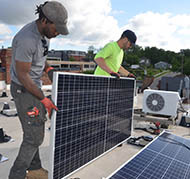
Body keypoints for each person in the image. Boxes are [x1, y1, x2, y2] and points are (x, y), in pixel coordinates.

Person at [9, 1, 69, 179]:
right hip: (23, 90)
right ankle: (17, 175)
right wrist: (43, 99)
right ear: (44, 20)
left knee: (34, 129)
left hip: (34, 87)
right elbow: (23, 76)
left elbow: (41, 57)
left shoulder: (44, 35)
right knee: (34, 137)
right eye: (56, 28)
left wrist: (49, 70)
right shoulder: (27, 39)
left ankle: (35, 170)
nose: (57, 33)